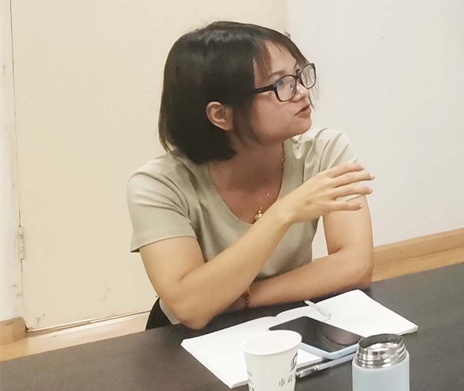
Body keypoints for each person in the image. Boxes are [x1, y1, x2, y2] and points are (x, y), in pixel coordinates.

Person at [127, 21, 374, 330]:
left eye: (298, 75)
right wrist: (284, 212)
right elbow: (189, 307)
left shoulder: (325, 150)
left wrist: (241, 298)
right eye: (280, 83)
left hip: (287, 315)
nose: (301, 92)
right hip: (187, 338)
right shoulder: (158, 185)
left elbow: (355, 265)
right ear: (221, 114)